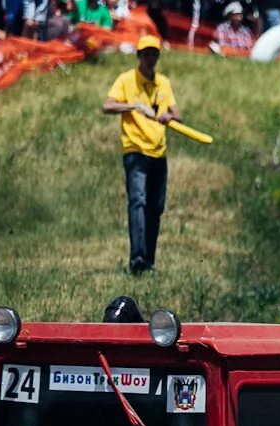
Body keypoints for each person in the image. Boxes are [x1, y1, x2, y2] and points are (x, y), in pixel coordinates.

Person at [102, 33, 179, 274]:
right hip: (135, 149)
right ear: (139, 56)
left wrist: (169, 116)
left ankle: (149, 260)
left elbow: (177, 113)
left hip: (159, 151)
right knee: (138, 201)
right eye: (146, 54)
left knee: (155, 207)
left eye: (154, 54)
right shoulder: (126, 80)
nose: (150, 58)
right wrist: (134, 106)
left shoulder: (163, 83)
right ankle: (136, 259)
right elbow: (107, 105)